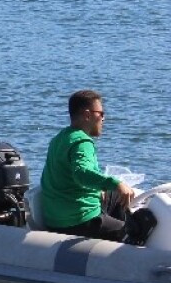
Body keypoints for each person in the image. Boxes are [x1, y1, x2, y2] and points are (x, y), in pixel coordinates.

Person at [39, 90, 137, 241]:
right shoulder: (82, 142)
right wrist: (115, 183)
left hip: (55, 218)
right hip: (78, 221)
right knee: (137, 232)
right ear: (87, 115)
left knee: (115, 196)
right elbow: (82, 173)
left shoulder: (60, 138)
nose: (103, 119)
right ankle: (124, 239)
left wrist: (101, 188)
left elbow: (69, 176)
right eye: (101, 113)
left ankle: (118, 227)